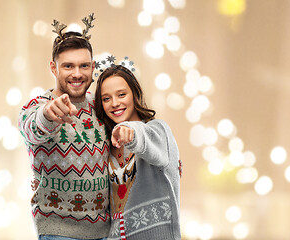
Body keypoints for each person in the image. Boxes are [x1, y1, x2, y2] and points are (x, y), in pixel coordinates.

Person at [18, 13, 110, 240]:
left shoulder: (102, 106)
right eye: (68, 66)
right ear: (53, 67)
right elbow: (32, 128)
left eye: (84, 66)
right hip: (58, 233)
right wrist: (48, 116)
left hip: (106, 232)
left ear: (93, 67)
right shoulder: (37, 106)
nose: (77, 74)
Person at [94, 63, 182, 240]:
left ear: (135, 94)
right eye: (106, 99)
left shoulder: (159, 132)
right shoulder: (108, 145)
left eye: (121, 94)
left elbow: (144, 138)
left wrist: (130, 131)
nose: (115, 103)